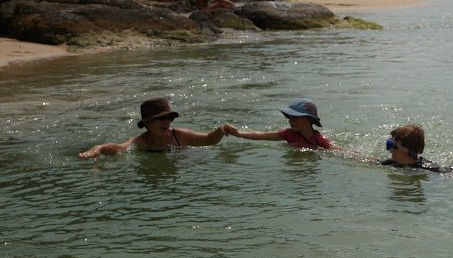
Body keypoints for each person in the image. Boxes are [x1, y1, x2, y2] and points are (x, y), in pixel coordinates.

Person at [78, 98, 228, 158]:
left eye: (168, 118)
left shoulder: (181, 135)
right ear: (147, 124)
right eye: (160, 119)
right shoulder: (142, 141)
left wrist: (221, 130)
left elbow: (209, 139)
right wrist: (98, 149)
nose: (166, 122)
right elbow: (119, 148)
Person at [223, 98, 340, 150]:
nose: (290, 121)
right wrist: (238, 134)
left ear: (308, 119)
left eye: (295, 117)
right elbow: (261, 135)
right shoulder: (288, 134)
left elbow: (339, 150)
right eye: (289, 117)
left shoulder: (319, 139)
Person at [380, 124, 452, 172]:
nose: (390, 150)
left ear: (405, 150)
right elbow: (375, 162)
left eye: (392, 145)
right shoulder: (391, 162)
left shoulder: (427, 167)